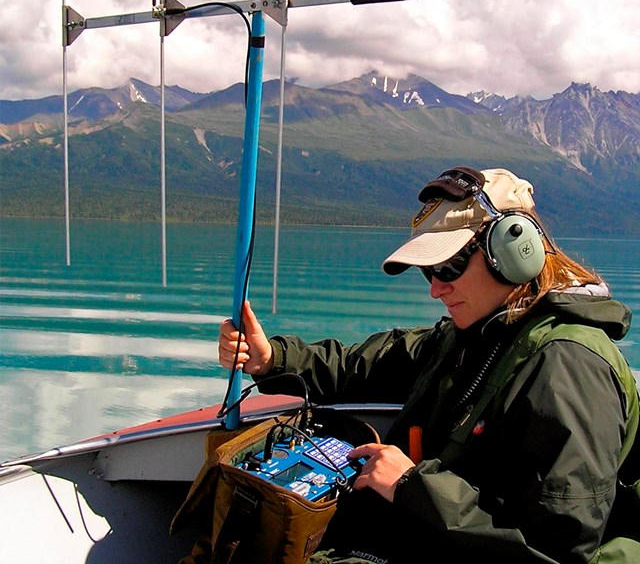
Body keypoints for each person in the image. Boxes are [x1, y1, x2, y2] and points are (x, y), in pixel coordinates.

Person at [218, 166, 639, 564]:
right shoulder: (473, 336)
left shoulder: (569, 368)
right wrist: (271, 358)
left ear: (514, 250)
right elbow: (362, 366)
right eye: (429, 272)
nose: (437, 288)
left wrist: (411, 487)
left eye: (450, 266)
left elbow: (557, 551)